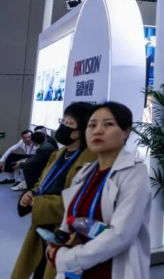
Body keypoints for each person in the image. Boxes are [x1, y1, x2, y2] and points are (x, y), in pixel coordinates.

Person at [46, 102, 150, 278]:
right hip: (77, 272)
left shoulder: (134, 172)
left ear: (126, 132)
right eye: (92, 125)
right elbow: (70, 220)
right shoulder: (86, 172)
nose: (98, 131)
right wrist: (59, 241)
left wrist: (66, 258)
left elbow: (120, 235)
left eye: (108, 124)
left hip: (110, 271)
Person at [12, 103, 96, 279]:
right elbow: (42, 181)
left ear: (82, 130)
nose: (62, 127)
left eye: (69, 123)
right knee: (39, 269)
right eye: (62, 121)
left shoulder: (92, 159)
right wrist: (31, 193)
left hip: (66, 233)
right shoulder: (59, 153)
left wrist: (40, 204)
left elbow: (81, 202)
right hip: (43, 228)